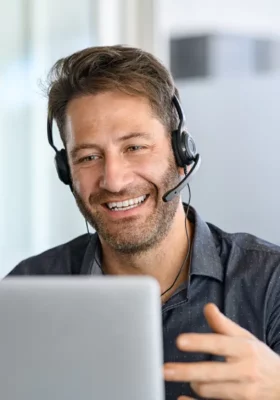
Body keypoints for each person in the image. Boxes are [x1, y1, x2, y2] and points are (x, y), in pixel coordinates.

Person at [8, 45, 280, 400]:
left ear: (182, 152)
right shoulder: (28, 290)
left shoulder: (270, 282)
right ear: (66, 172)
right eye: (89, 156)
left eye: (134, 147)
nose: (114, 180)